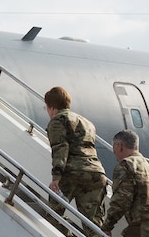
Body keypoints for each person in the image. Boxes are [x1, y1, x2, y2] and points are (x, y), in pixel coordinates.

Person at [44, 86, 107, 217]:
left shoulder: (58, 121)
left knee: (53, 216)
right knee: (93, 223)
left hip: (72, 172)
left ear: (52, 107)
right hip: (96, 173)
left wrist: (56, 177)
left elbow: (60, 147)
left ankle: (64, 235)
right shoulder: (87, 123)